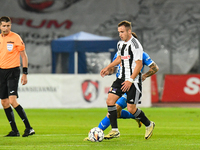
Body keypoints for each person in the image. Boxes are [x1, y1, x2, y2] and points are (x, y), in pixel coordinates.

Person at [84, 49, 159, 141]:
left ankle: (98, 133)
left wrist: (145, 76)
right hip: (120, 83)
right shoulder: (120, 53)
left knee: (115, 110)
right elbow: (115, 67)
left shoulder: (141, 54)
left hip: (132, 85)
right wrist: (108, 72)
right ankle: (135, 116)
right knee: (116, 113)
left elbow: (155, 68)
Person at [100, 20, 155, 140]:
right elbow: (119, 59)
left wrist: (130, 79)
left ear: (129, 31)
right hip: (121, 79)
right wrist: (108, 67)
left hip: (133, 81)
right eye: (119, 32)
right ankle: (115, 130)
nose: (120, 34)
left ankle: (149, 124)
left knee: (131, 109)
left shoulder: (136, 45)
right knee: (110, 101)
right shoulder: (120, 44)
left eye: (122, 32)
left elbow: (139, 65)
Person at [0, 16, 35, 137]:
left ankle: (29, 128)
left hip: (13, 71)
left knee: (12, 100)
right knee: (4, 102)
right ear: (0, 26)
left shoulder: (15, 37)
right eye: (4, 25)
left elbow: (24, 56)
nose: (6, 28)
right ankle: (14, 131)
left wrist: (25, 73)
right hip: (1, 72)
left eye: (8, 25)